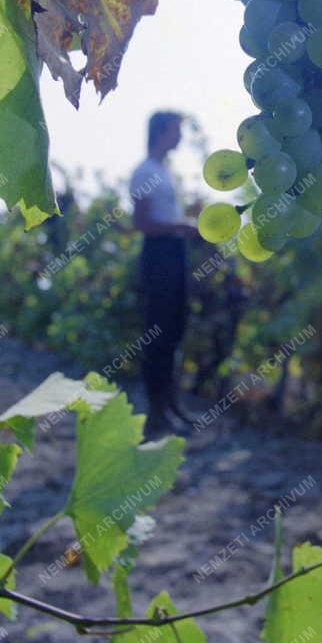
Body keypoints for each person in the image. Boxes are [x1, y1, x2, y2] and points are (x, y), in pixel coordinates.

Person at [130, 110, 199, 440]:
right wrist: (182, 227)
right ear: (161, 133)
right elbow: (141, 224)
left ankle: (171, 406)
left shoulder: (163, 171)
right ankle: (157, 412)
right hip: (159, 254)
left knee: (173, 331)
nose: (180, 137)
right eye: (176, 131)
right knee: (158, 334)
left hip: (173, 253)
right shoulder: (145, 171)